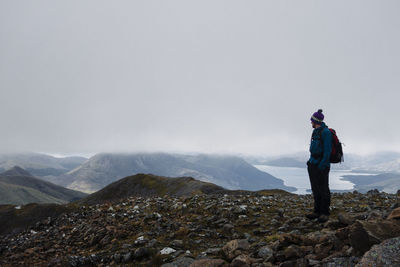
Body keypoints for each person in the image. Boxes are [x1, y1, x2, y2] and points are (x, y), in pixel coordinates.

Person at [306, 109, 332, 223]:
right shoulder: (315, 131)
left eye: (311, 121)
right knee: (315, 188)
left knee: (323, 189)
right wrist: (310, 162)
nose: (310, 123)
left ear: (315, 121)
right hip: (313, 164)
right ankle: (316, 211)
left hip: (321, 165)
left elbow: (327, 151)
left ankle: (324, 213)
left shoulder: (326, 132)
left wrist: (322, 165)